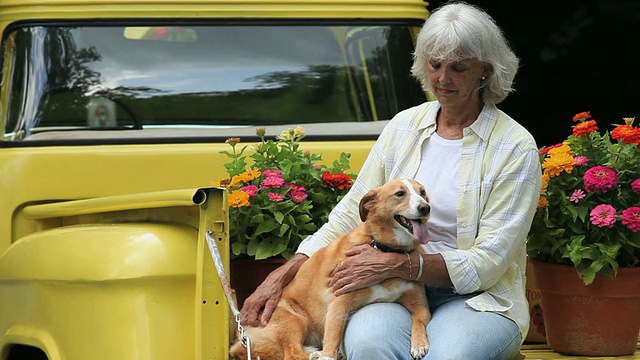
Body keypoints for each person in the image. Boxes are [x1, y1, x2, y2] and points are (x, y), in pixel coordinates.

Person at [240, 2, 542, 359]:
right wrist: (284, 272)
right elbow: (350, 215)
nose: (443, 78)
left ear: (485, 72)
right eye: (435, 64)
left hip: (478, 299)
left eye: (458, 68)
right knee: (370, 346)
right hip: (388, 286)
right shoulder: (403, 126)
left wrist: (403, 264)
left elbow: (490, 261)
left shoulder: (514, 146)